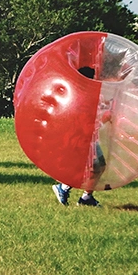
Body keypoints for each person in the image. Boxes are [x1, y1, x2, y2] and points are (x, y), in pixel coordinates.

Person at [51, 65, 103, 207]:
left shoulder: (86, 93)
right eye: (92, 78)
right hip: (80, 137)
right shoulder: (79, 95)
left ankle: (86, 197)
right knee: (84, 166)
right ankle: (65, 188)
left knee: (98, 165)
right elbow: (83, 119)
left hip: (89, 136)